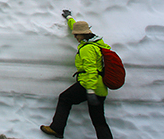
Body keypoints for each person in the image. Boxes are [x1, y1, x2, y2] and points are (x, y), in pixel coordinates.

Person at [40, 10, 114, 139]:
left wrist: (90, 90)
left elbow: (91, 71)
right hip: (100, 88)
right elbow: (76, 26)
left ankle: (57, 128)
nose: (75, 37)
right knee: (99, 120)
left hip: (89, 85)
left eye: (76, 35)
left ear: (83, 34)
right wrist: (69, 17)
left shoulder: (87, 49)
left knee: (64, 99)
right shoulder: (97, 43)